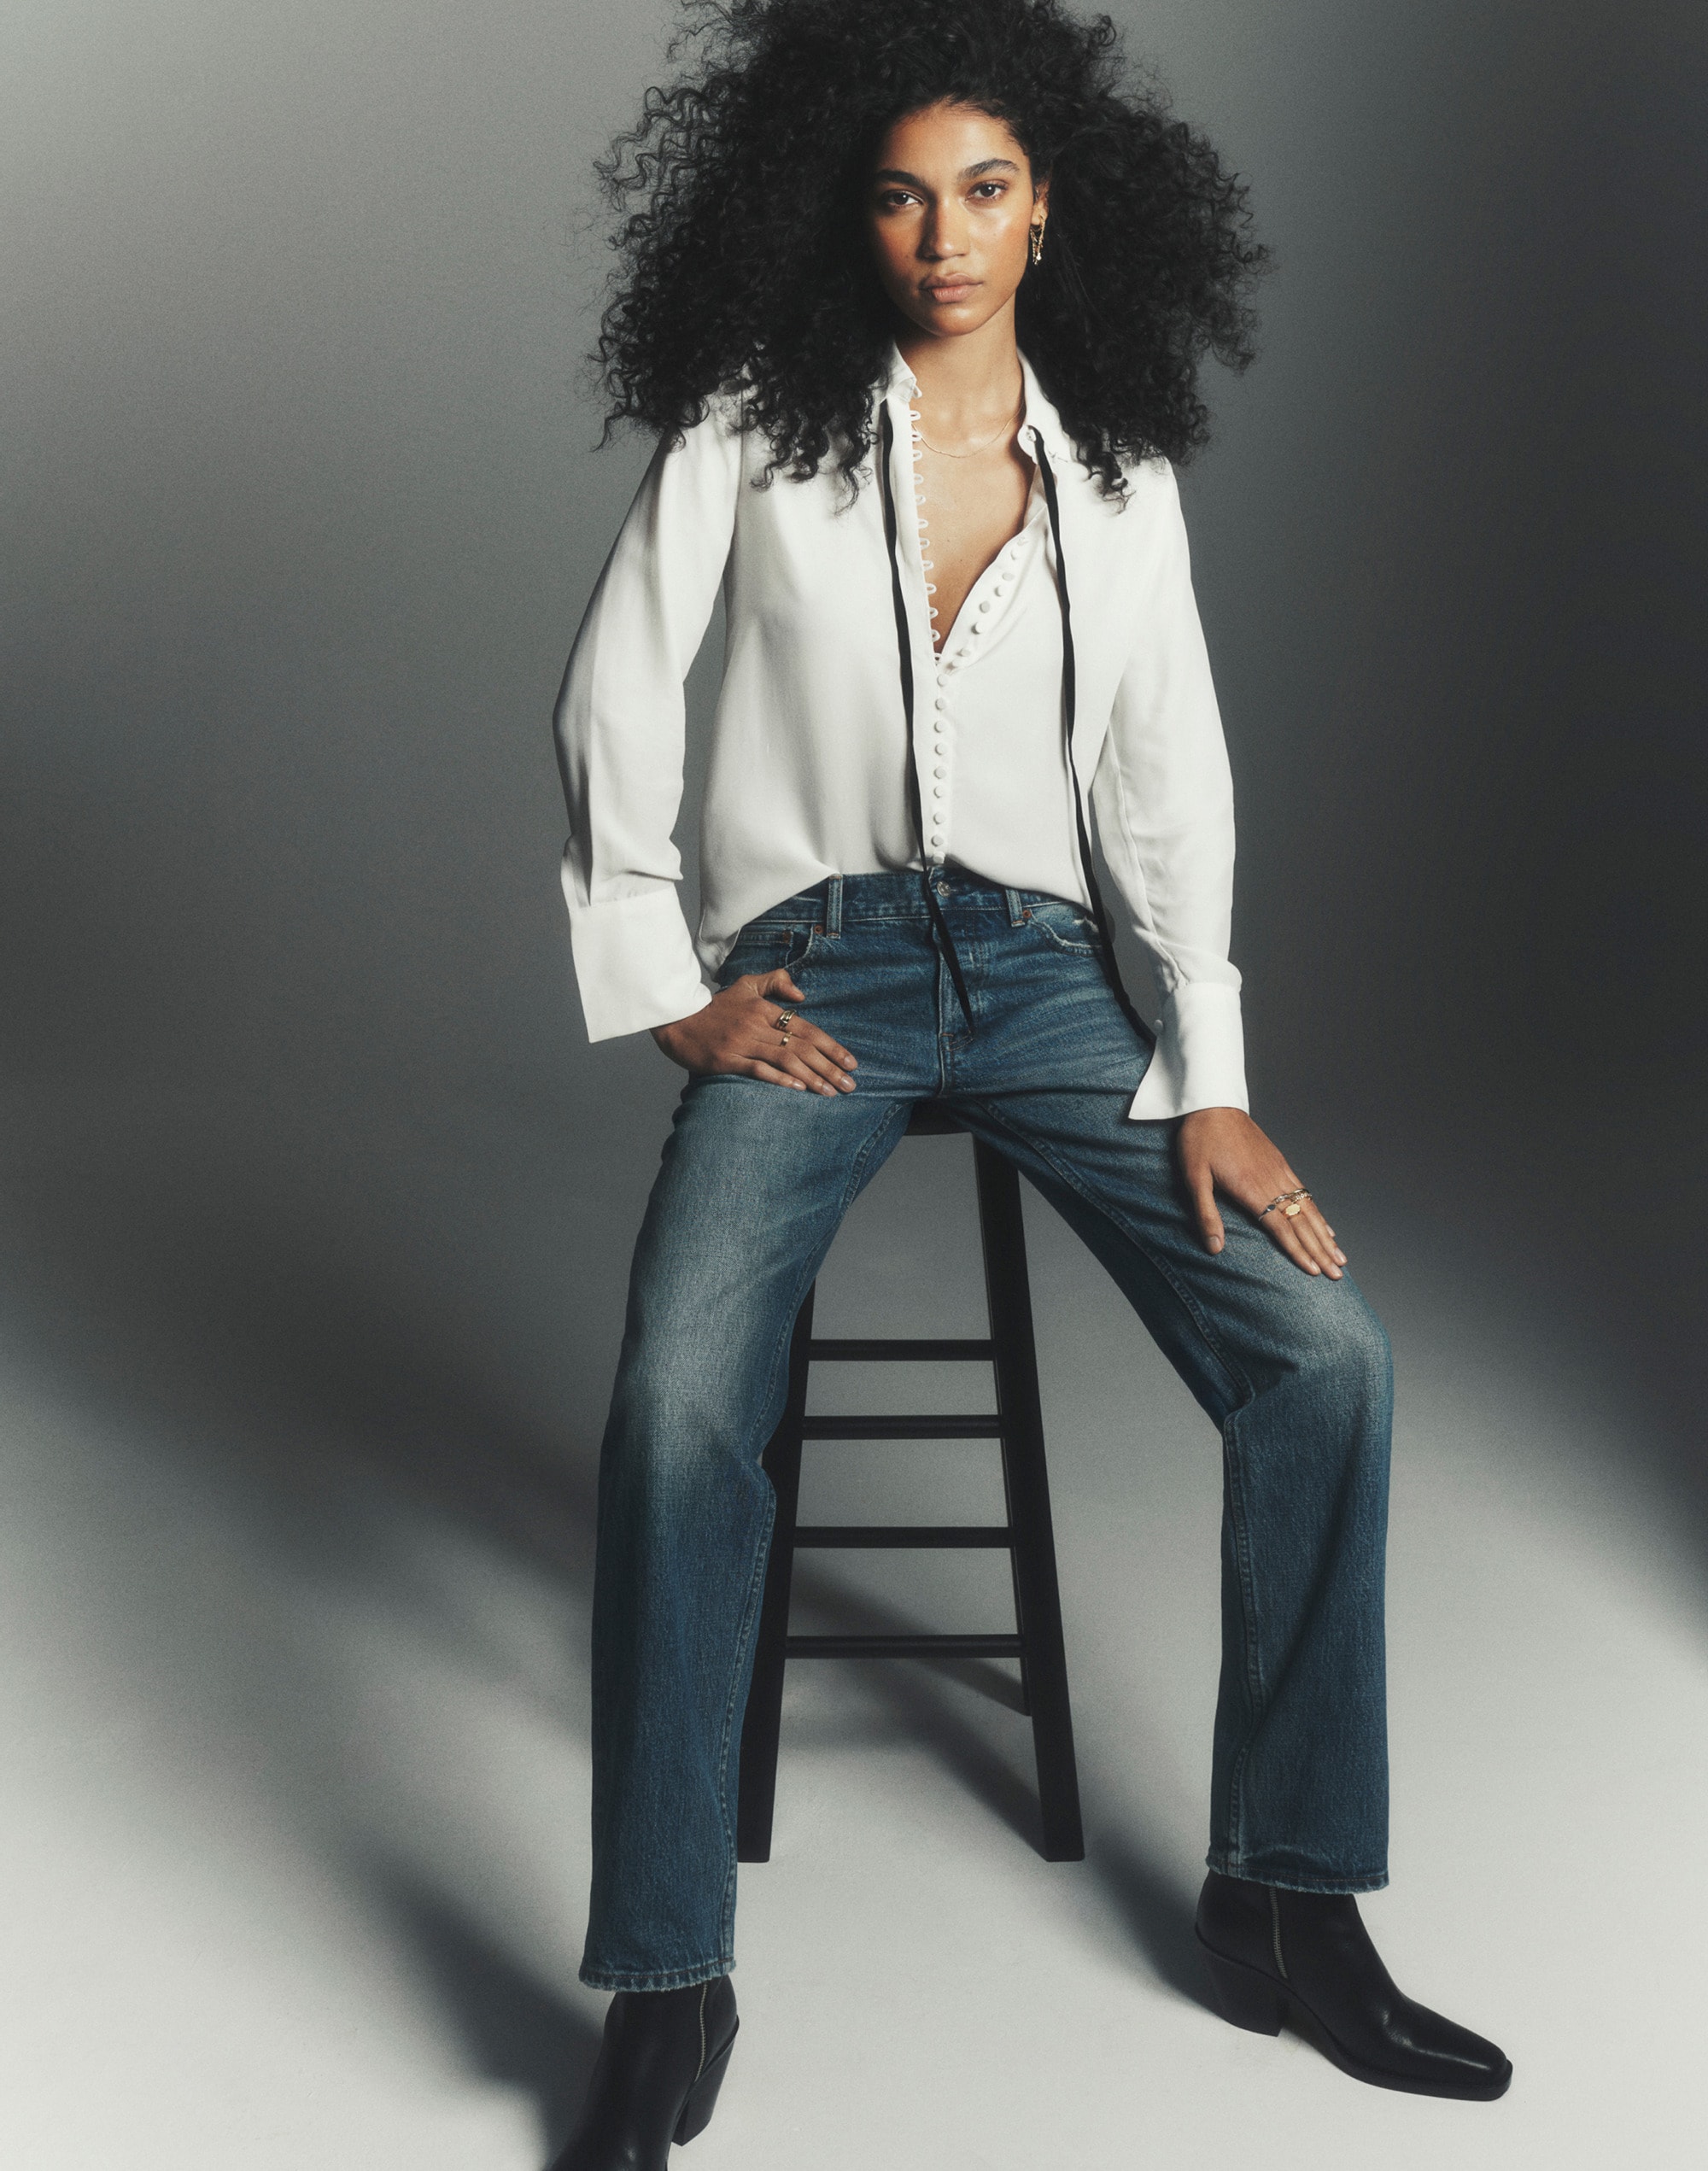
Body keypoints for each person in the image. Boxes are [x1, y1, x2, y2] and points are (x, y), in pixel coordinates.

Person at [547, 3, 1511, 2161]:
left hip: (1053, 978)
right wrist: (663, 980)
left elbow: (1168, 775)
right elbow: (616, 683)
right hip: (820, 974)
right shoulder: (755, 424)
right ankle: (668, 1979)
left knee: (1328, 1358)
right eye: (902, 195)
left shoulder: (1117, 471)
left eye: (983, 189)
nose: (944, 235)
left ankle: (1289, 1895)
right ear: (847, 212)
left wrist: (1208, 1062)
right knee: (676, 1402)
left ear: (1052, 207)